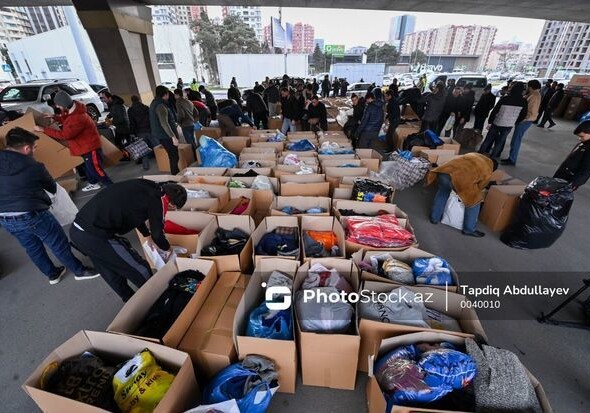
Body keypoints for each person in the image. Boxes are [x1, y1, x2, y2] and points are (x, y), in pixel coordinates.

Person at [0, 127, 99, 284]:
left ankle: (52, 274)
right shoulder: (34, 167)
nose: (34, 151)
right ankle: (79, 271)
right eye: (34, 147)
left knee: (32, 248)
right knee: (57, 243)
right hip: (32, 214)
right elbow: (52, 188)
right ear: (26, 148)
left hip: (5, 218)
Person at [70, 179, 187, 301]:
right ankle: (159, 300)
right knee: (141, 269)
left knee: (111, 272)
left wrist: (147, 235)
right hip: (95, 235)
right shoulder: (161, 199)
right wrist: (169, 250)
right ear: (172, 204)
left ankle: (131, 303)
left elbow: (134, 213)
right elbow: (157, 234)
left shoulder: (148, 186)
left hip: (78, 230)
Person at [34, 91, 113, 192]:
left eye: (58, 104)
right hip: (84, 146)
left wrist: (43, 130)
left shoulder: (77, 118)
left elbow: (65, 135)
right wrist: (54, 117)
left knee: (95, 169)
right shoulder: (73, 110)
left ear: (64, 104)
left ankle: (110, 185)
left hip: (90, 147)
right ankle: (94, 183)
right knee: (89, 168)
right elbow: (67, 120)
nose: (57, 106)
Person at [427, 153, 496, 237]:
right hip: (460, 179)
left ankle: (434, 218)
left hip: (444, 172)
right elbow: (482, 185)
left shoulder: (473, 155)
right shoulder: (488, 168)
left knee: (443, 192)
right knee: (475, 201)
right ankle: (469, 229)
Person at [479, 81, 527, 159]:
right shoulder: (524, 101)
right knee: (500, 142)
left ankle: (479, 155)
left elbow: (495, 110)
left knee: (488, 140)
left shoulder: (505, 98)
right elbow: (523, 115)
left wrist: (490, 121)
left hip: (497, 122)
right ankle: (492, 159)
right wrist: (515, 121)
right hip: (508, 125)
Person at [502, 80, 542, 165]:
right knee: (516, 139)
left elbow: (530, 110)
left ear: (530, 86)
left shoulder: (534, 96)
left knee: (516, 140)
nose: (526, 87)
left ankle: (512, 159)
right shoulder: (535, 94)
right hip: (527, 120)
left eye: (527, 86)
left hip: (525, 120)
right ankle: (512, 158)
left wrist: (521, 120)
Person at [149, 85, 180, 174]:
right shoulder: (160, 106)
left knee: (173, 156)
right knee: (174, 156)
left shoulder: (154, 103)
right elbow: (164, 123)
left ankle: (175, 174)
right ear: (165, 94)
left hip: (161, 135)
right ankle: (175, 176)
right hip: (166, 136)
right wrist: (173, 137)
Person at [554, 121, 590, 190]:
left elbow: (586, 170)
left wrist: (573, 184)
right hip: (561, 175)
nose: (579, 139)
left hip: (569, 181)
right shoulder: (583, 143)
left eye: (582, 136)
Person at [127, 95, 154, 170]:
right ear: (139, 99)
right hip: (149, 130)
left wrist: (132, 132)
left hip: (140, 132)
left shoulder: (130, 110)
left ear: (132, 101)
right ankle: (163, 161)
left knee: (144, 149)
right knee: (157, 146)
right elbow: (151, 119)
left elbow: (132, 123)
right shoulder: (146, 107)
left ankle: (146, 166)